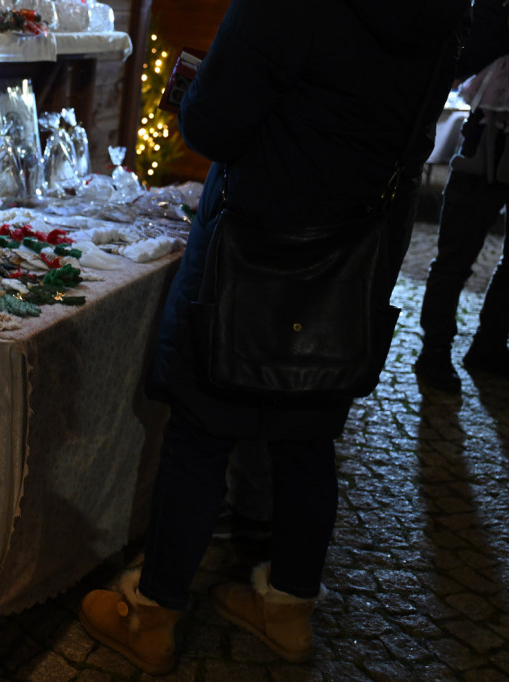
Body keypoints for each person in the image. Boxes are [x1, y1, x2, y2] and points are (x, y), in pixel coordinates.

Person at [77, 0, 469, 674]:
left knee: (200, 432)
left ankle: (151, 615)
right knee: (309, 438)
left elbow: (213, 121)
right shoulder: (443, 11)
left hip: (251, 251)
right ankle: (288, 611)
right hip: (348, 262)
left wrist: (193, 90)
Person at [415, 0, 509, 393]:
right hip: (487, 139)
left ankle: (487, 345)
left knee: (458, 257)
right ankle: (435, 351)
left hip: (487, 136)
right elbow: (463, 54)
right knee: (455, 256)